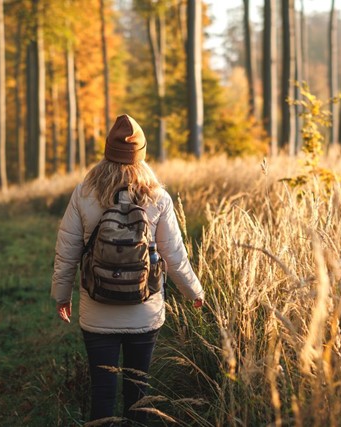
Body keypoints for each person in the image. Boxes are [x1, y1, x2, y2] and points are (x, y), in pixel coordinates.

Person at [51, 114, 204, 425]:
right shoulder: (157, 197)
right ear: (142, 154)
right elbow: (174, 256)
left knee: (102, 393)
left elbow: (66, 251)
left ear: (108, 150)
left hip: (96, 310)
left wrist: (61, 294)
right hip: (144, 310)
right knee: (139, 393)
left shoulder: (84, 192)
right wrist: (194, 291)